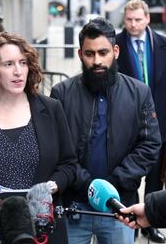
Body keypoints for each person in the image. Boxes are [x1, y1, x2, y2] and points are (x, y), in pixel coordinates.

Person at [0, 32, 77, 243]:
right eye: (8, 64)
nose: (18, 71)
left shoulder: (51, 109)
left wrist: (50, 187)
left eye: (23, 62)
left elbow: (69, 165)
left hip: (41, 227)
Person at [50, 17, 161, 244]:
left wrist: (112, 184)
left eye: (103, 52)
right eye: (90, 54)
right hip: (73, 206)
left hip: (120, 208)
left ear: (116, 51)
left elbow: (150, 144)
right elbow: (57, 148)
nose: (97, 61)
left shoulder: (140, 93)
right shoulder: (61, 93)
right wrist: (88, 186)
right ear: (81, 54)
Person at [116, 0, 166, 243]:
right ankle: (132, 220)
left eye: (138, 19)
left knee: (156, 175)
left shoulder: (163, 44)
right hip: (129, 121)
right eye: (129, 20)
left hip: (160, 121)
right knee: (131, 173)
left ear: (147, 19)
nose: (133, 24)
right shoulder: (115, 46)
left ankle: (151, 221)